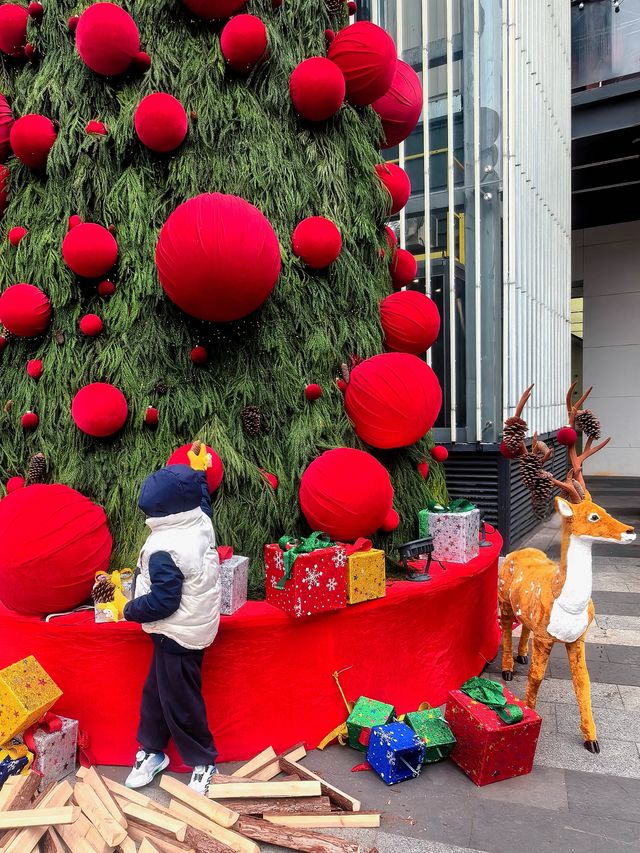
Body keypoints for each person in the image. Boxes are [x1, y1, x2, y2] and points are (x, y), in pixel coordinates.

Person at [123, 444, 221, 794]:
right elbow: (203, 501)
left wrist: (129, 609)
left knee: (181, 701)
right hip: (188, 627)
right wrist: (200, 474)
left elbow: (164, 602)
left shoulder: (165, 547)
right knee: (156, 693)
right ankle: (152, 751)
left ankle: (203, 761)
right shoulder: (199, 520)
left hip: (177, 634)